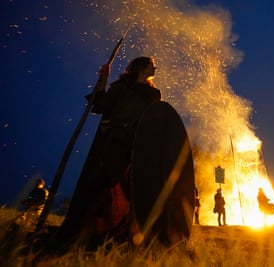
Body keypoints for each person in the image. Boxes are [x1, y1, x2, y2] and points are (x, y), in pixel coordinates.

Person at [56, 57, 190, 250]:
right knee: (105, 185)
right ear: (141, 68)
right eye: (151, 65)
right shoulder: (122, 87)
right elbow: (101, 104)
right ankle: (89, 232)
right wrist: (103, 79)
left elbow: (154, 122)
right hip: (116, 142)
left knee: (134, 191)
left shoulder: (154, 94)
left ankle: (130, 235)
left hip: (139, 148)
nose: (155, 67)